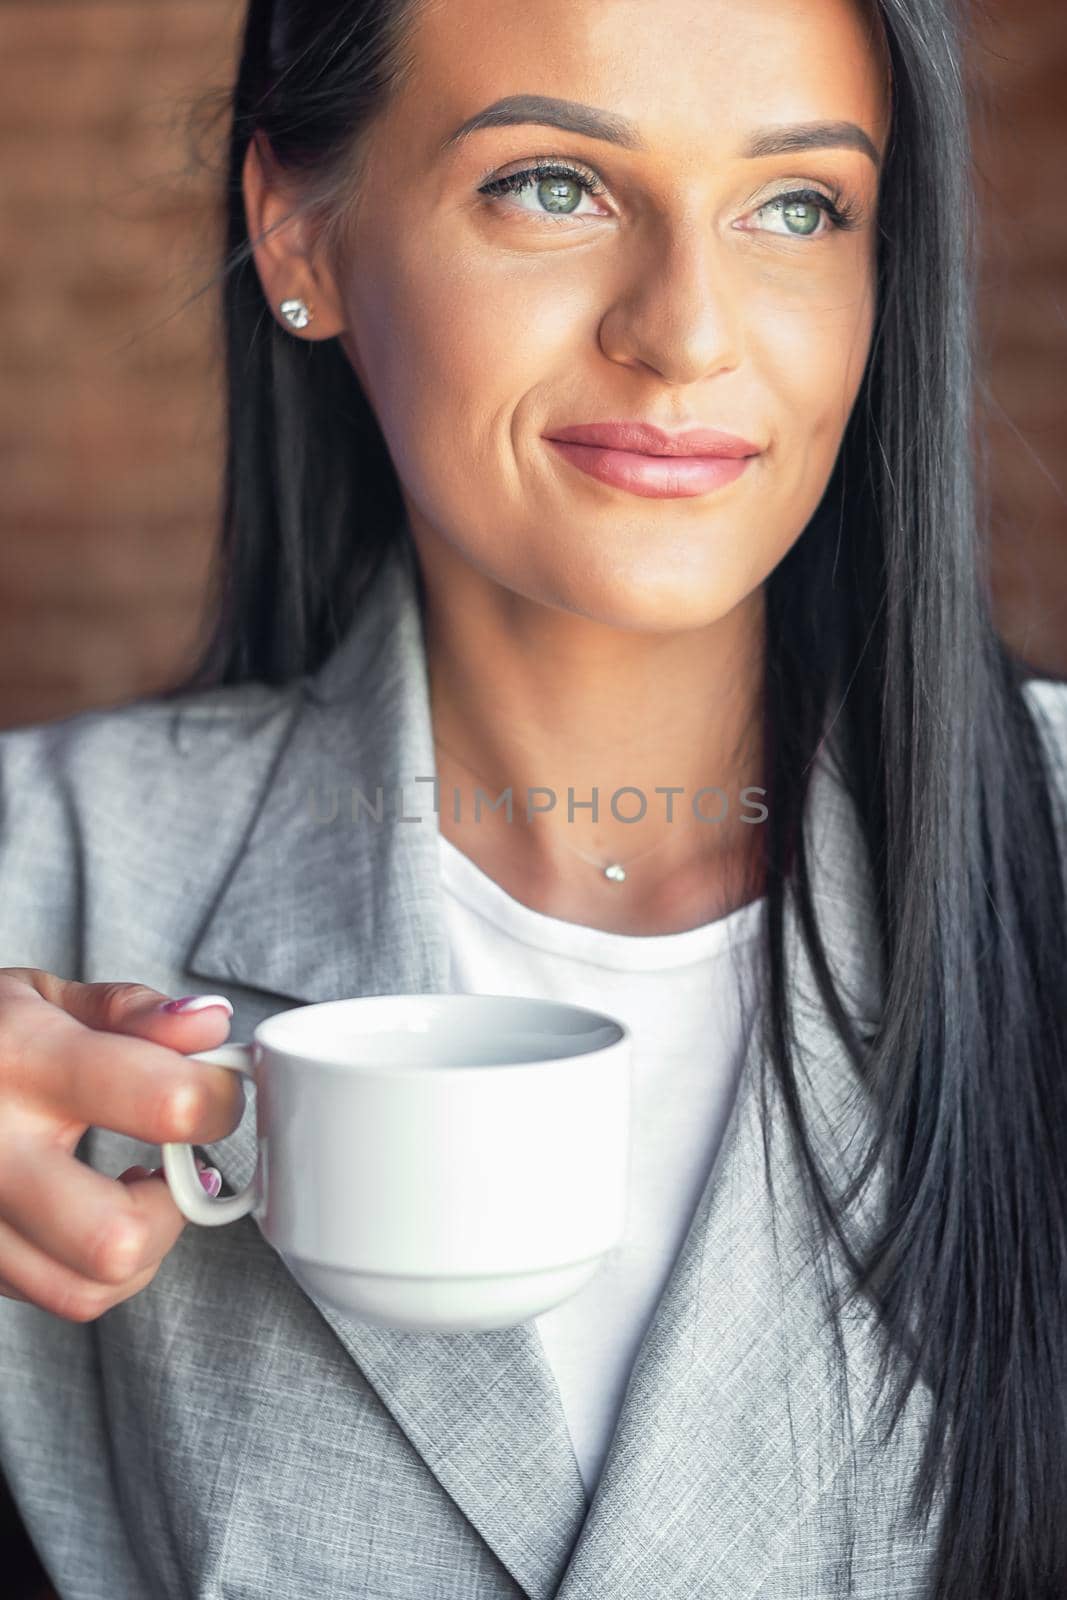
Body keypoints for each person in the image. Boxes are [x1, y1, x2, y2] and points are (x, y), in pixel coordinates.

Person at [0, 0, 1065, 1595]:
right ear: (298, 230)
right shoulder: (39, 872)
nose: (688, 330)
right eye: (554, 185)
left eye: (798, 206)